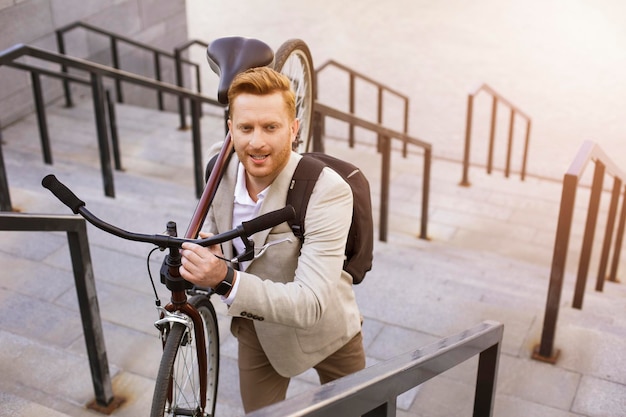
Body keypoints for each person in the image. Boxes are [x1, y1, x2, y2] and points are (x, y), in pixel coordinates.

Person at [178, 66, 365, 412]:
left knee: (359, 410)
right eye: (246, 127)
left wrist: (224, 278)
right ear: (230, 127)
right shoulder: (218, 164)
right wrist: (218, 250)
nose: (257, 141)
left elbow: (311, 303)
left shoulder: (328, 192)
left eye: (271, 127)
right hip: (258, 328)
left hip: (328, 329)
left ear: (294, 130)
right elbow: (224, 227)